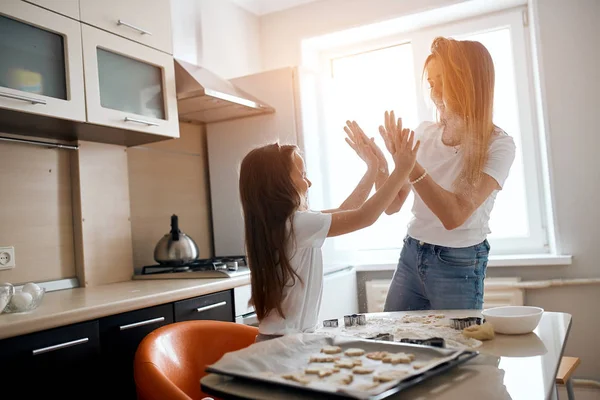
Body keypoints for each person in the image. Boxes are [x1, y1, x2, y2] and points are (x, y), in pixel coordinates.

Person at [345, 36, 516, 311]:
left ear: (467, 82)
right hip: (412, 253)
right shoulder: (426, 132)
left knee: (455, 350)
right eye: (431, 84)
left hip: (459, 262)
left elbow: (454, 215)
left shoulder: (498, 145)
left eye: (442, 82)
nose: (435, 93)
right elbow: (393, 204)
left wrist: (410, 164)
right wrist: (379, 167)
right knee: (399, 345)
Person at [238, 126, 420, 342]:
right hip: (286, 341)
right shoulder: (297, 224)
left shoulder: (283, 224)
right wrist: (401, 170)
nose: (309, 183)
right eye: (303, 175)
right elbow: (364, 217)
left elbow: (347, 211)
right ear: (280, 184)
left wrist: (372, 169)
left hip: (278, 337)